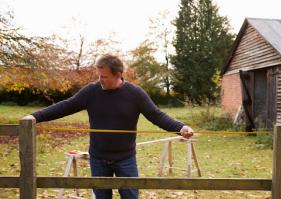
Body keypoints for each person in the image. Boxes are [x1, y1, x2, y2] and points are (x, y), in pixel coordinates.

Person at [25, 54, 194, 199]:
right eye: (98, 75)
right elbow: (65, 106)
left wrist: (181, 127)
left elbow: (157, 116)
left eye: (104, 76)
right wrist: (35, 117)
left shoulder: (135, 94)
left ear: (118, 74)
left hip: (126, 159)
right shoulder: (91, 91)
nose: (99, 80)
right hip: (98, 159)